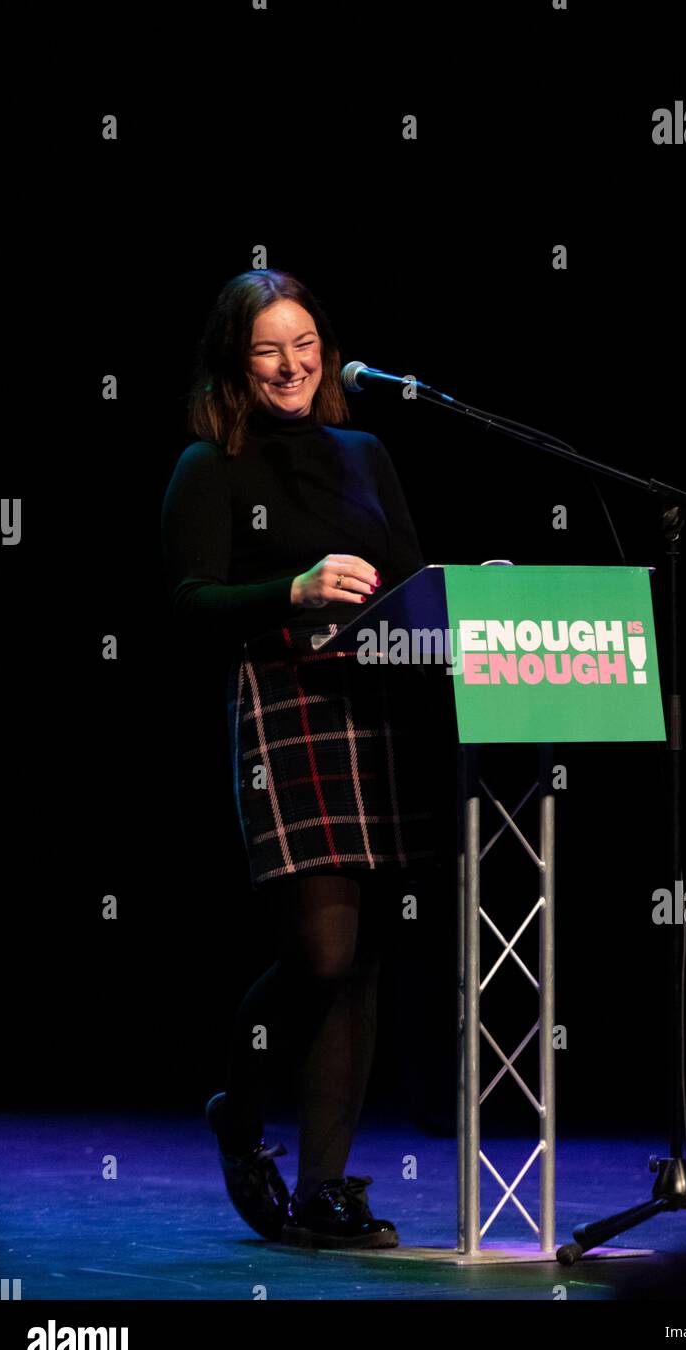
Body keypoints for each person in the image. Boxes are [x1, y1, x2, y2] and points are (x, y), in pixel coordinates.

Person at [161, 269, 442, 1250]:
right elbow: (190, 605)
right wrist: (295, 587)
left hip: (379, 709)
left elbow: (410, 583)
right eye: (269, 348)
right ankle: (240, 1104)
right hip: (287, 707)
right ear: (239, 362)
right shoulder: (212, 464)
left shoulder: (366, 453)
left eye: (307, 343)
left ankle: (325, 1186)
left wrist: (467, 597)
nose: (293, 364)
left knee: (361, 959)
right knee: (319, 951)